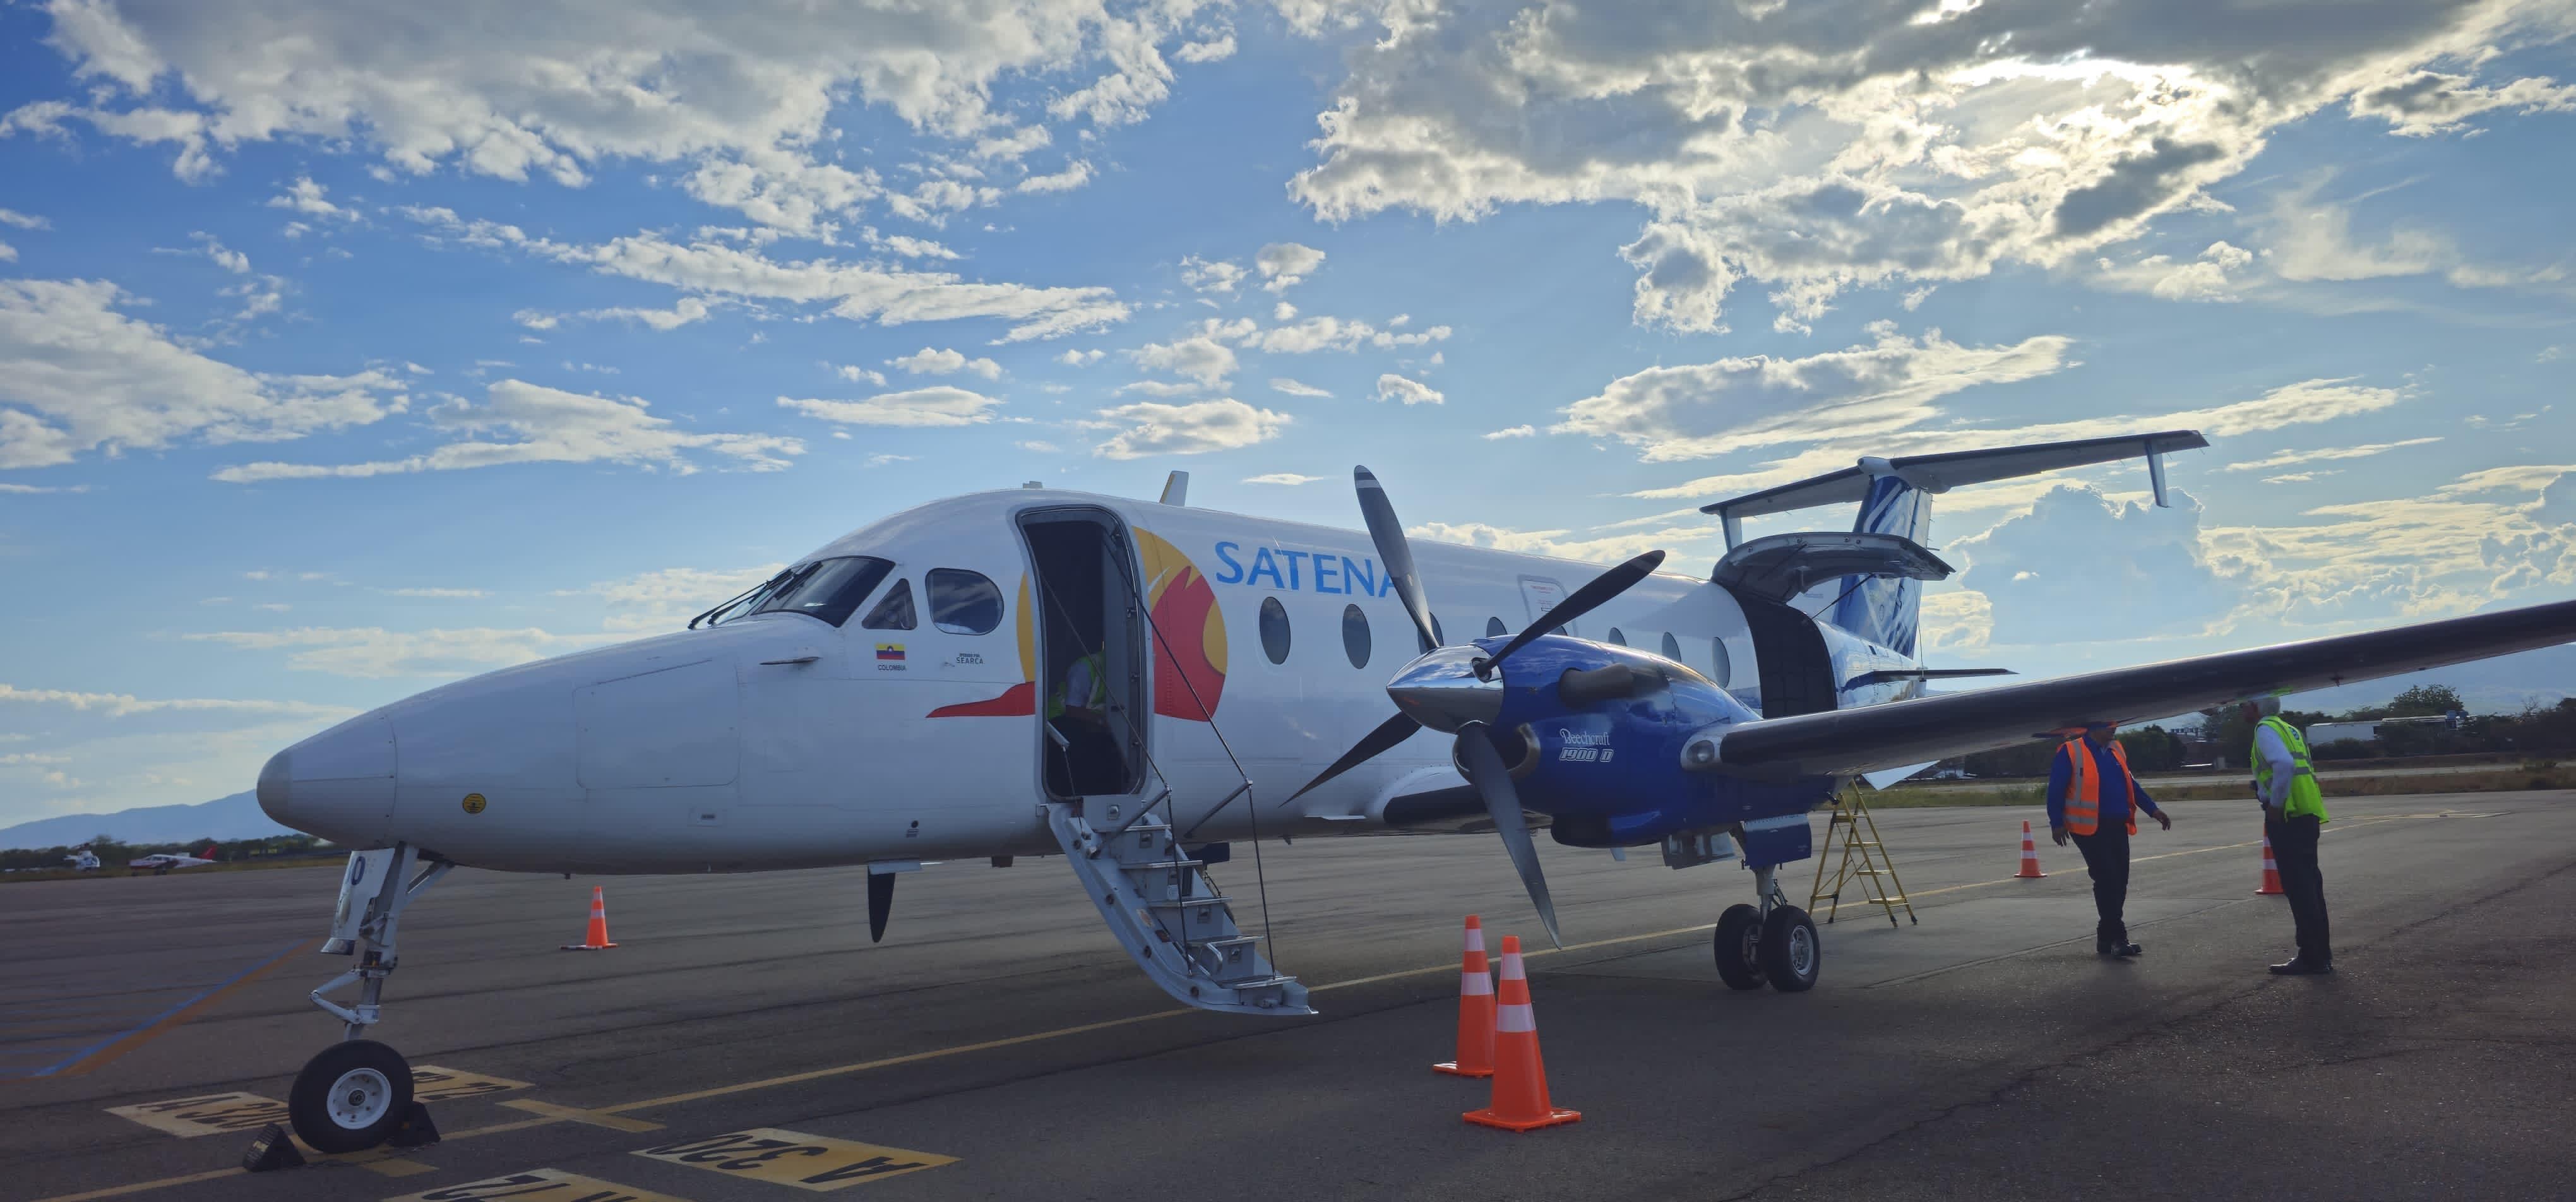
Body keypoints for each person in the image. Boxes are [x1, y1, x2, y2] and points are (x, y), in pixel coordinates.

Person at [2047, 721, 2171, 957]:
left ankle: (2106, 937)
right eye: (2108, 725)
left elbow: (2131, 785)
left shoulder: (2117, 749)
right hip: (2088, 828)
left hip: (2117, 824)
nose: (2114, 728)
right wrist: (2056, 823)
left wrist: (2153, 810)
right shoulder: (2071, 751)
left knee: (2120, 881)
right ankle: (2118, 938)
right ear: (2092, 728)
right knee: (2107, 879)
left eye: (2115, 724)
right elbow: (2056, 789)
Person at [2243, 698, 2332, 975]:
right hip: (2307, 813)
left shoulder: (2265, 729)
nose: (2241, 711)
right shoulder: (2289, 729)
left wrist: (2275, 805)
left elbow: (2283, 765)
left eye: (2243, 706)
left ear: (2255, 708)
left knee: (2300, 890)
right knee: (2312, 887)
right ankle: (2320, 955)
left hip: (2288, 817)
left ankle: (2311, 958)